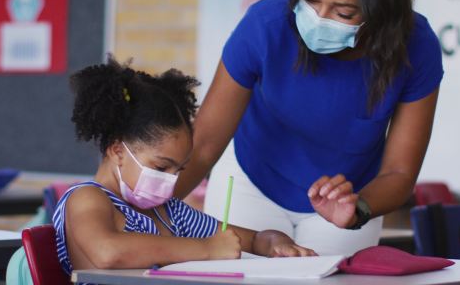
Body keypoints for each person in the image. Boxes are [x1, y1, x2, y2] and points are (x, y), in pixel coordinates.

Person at [175, 0, 444, 256]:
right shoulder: (265, 25)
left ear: (383, 13)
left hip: (345, 202)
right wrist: (144, 211)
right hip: (251, 183)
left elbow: (399, 173)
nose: (319, 17)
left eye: (344, 13)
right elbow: (203, 145)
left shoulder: (416, 47)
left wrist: (356, 209)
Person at [53, 56, 315, 276]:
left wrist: (275, 243)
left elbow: (251, 240)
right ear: (117, 150)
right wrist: (208, 250)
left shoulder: (168, 212)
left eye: (179, 169)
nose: (172, 180)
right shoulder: (87, 197)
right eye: (161, 167)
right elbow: (107, 251)